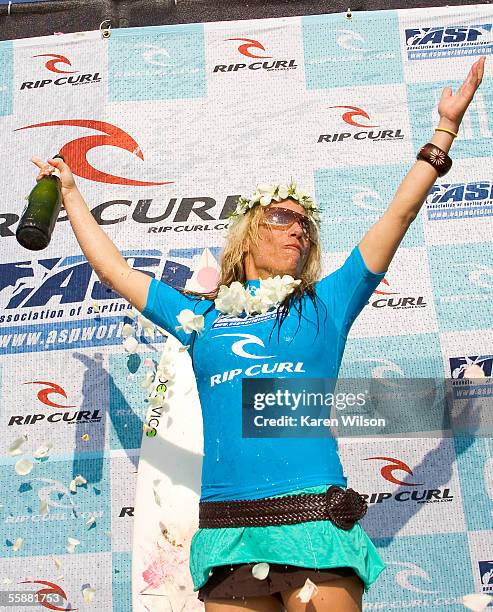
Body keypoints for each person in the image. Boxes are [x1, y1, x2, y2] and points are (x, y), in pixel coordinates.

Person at [32, 56, 485, 612]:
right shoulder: (199, 317)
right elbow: (114, 270)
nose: (296, 227)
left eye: (304, 222)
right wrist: (73, 195)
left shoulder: (326, 303)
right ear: (247, 235)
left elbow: (397, 214)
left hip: (313, 520)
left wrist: (445, 128)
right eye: (281, 217)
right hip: (228, 529)